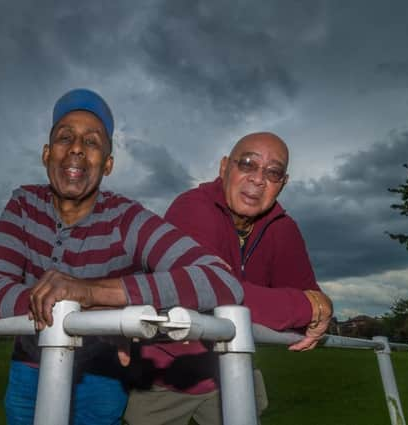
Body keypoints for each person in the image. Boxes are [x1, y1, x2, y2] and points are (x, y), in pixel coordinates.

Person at [0, 88, 244, 425]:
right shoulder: (23, 204)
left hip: (102, 377)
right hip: (29, 370)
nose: (77, 148)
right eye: (64, 137)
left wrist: (92, 293)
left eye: (93, 142)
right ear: (46, 154)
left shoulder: (126, 218)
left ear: (108, 164)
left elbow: (220, 280)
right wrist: (86, 309)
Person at [124, 132, 333, 425]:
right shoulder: (192, 207)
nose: (258, 179)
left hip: (234, 370)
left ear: (282, 184)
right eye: (247, 164)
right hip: (167, 375)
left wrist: (316, 307)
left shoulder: (283, 228)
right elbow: (209, 294)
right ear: (224, 168)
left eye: (273, 172)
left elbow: (309, 303)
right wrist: (311, 307)